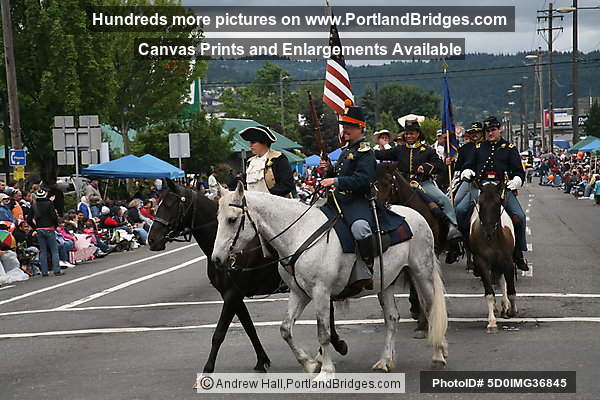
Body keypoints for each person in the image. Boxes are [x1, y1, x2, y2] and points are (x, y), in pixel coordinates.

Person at [374, 118, 462, 262]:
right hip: (403, 183)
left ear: (418, 134)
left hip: (423, 182)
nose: (409, 136)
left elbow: (438, 165)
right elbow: (380, 155)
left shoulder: (427, 150)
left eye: (412, 133)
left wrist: (426, 167)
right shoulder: (399, 149)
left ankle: (452, 229)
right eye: (407, 134)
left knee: (443, 199)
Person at [319, 100, 381, 295]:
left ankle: (367, 269)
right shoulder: (346, 151)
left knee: (360, 229)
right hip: (336, 200)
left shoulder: (365, 152)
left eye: (349, 127)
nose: (345, 130)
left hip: (356, 200)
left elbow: (363, 179)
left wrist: (335, 180)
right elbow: (339, 174)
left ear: (360, 128)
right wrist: (327, 170)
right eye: (344, 126)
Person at [457, 116, 529, 271]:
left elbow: (518, 171)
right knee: (460, 210)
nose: (490, 133)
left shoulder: (509, 148)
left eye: (493, 130)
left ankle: (518, 252)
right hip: (480, 187)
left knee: (520, 217)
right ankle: (467, 247)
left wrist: (516, 180)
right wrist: (467, 171)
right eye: (488, 131)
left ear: (499, 129)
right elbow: (468, 164)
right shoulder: (478, 148)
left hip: (501, 188)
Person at [240, 125, 295, 198]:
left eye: (253, 142)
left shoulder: (278, 158)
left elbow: (287, 185)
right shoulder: (250, 162)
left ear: (264, 143)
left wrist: (267, 197)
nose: (250, 145)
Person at [31, 188, 63, 276]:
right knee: (54, 250)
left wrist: (35, 227)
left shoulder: (34, 205)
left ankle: (44, 272)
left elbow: (29, 218)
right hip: (49, 228)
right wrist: (55, 225)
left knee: (43, 250)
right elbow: (53, 216)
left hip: (39, 229)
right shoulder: (49, 203)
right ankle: (56, 270)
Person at [454, 122, 484, 208]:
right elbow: (458, 167)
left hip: (485, 179)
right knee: (457, 200)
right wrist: (451, 162)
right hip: (469, 180)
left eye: (477, 132)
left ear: (482, 133)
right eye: (472, 133)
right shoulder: (464, 148)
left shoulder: (488, 146)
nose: (474, 135)